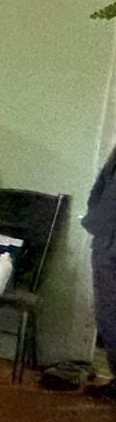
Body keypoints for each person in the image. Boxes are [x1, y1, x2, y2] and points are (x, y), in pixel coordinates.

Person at [87, 145, 116, 399]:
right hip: (107, 237)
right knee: (108, 314)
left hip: (108, 237)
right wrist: (94, 220)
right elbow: (101, 187)